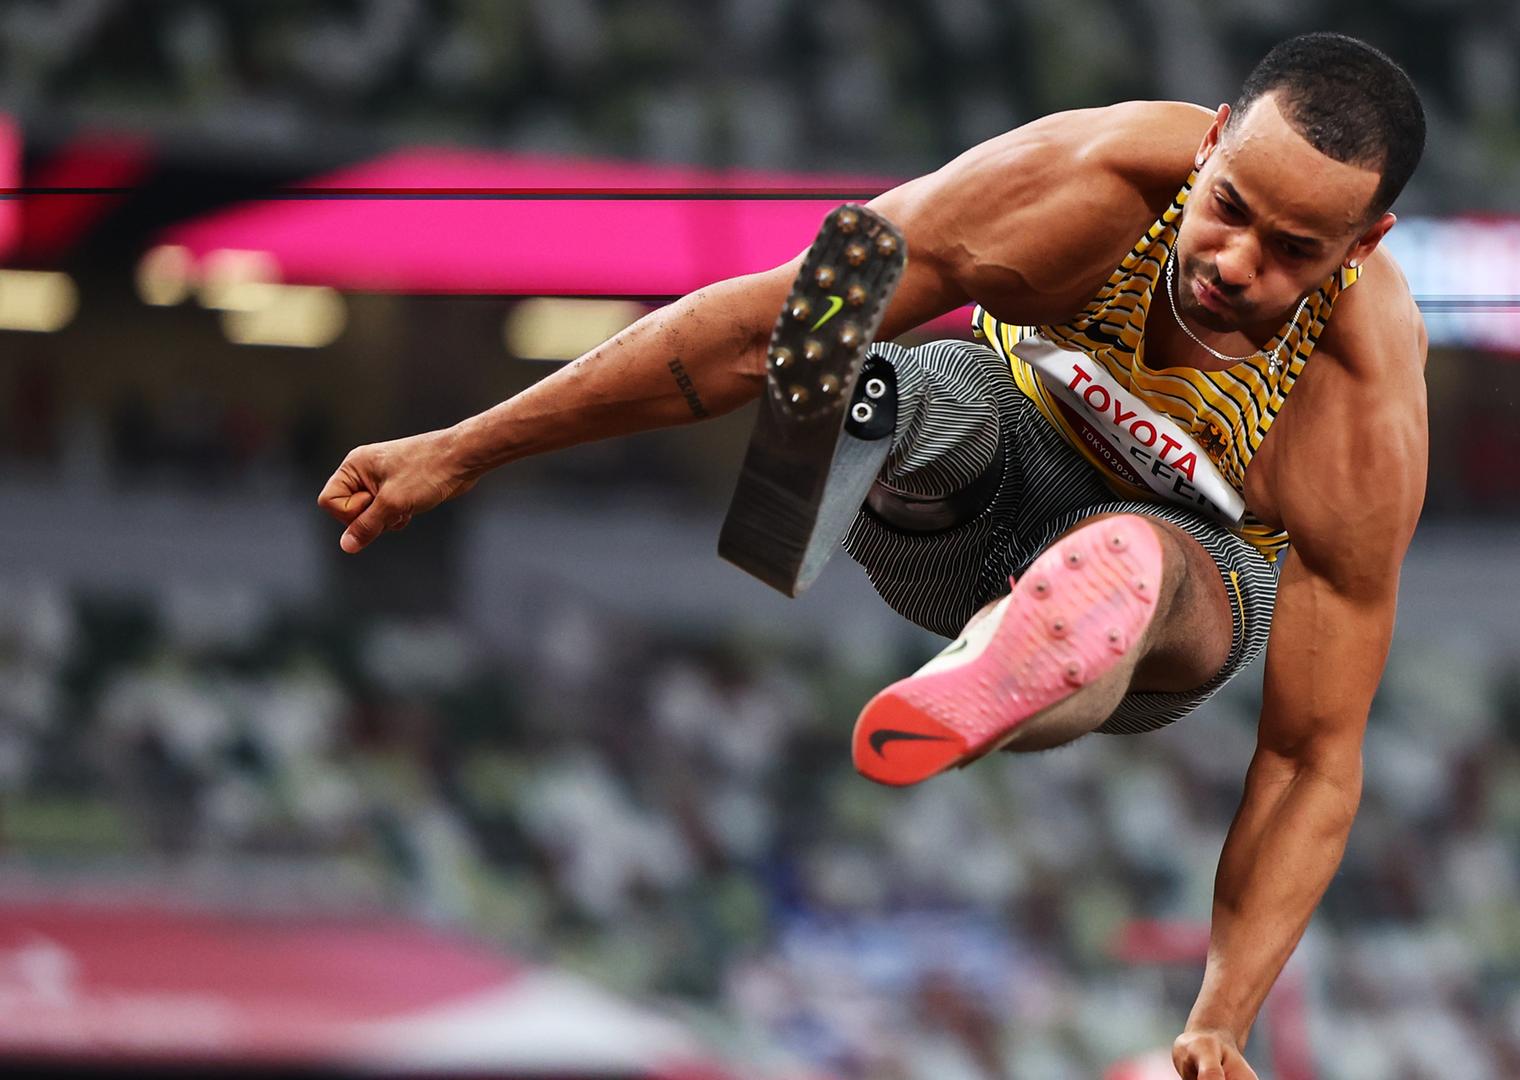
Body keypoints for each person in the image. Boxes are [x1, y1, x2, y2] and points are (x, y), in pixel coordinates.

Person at [319, 31, 1428, 1080]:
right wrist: (463, 449)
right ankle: (876, 428)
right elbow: (769, 324)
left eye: (1294, 252)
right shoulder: (1079, 184)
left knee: (1150, 564)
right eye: (1228, 209)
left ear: (1364, 244)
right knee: (906, 367)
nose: (1236, 266)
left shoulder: (1359, 413)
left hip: (1170, 611)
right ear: (1211, 139)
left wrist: (1219, 1018)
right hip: (977, 485)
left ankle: (1021, 645)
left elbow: (1309, 757)